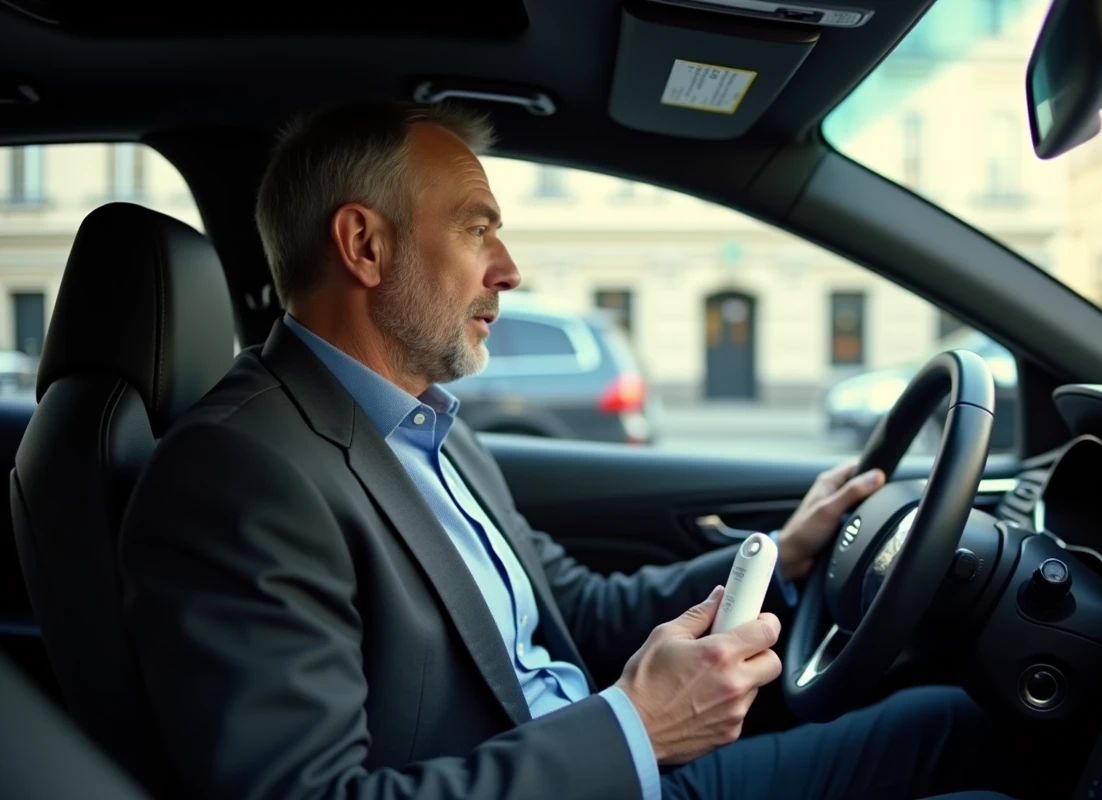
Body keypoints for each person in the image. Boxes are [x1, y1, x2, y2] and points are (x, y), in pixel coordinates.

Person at [118, 101, 1020, 800]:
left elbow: (575, 612)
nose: (509, 267)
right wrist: (638, 728)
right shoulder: (240, 472)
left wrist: (779, 557)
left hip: (604, 759)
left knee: (954, 724)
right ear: (364, 244)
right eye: (477, 227)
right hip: (598, 771)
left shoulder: (428, 423)